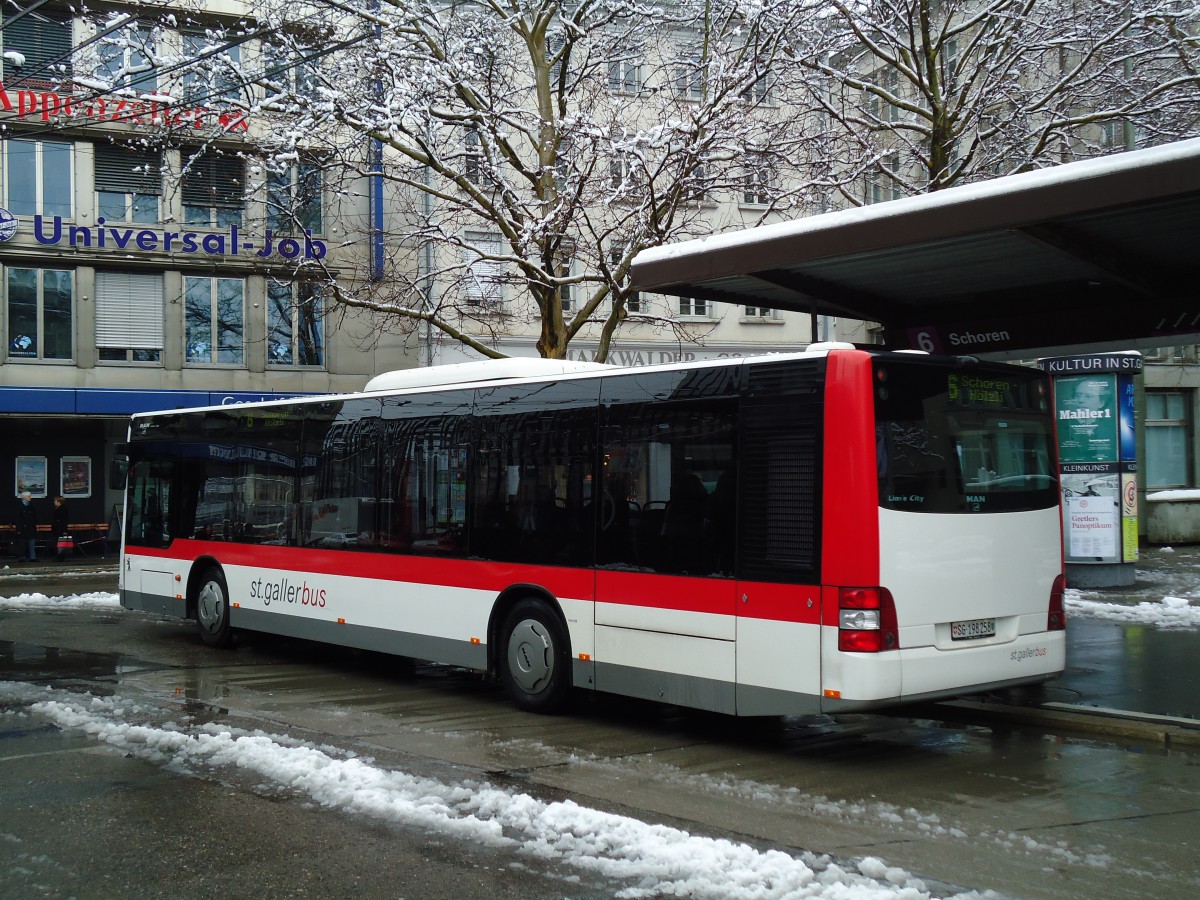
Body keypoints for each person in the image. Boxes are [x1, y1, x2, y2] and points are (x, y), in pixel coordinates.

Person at [16, 491, 38, 563]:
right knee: (22, 543)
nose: (30, 498)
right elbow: (18, 518)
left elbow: (34, 517)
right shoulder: (19, 506)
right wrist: (18, 528)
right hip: (23, 528)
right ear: (24, 497)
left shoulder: (31, 506)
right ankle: (22, 557)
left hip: (31, 527)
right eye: (29, 496)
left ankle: (33, 557)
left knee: (32, 542)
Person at [51, 495, 69, 562]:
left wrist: (64, 530)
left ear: (59, 502)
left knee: (60, 544)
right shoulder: (57, 509)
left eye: (55, 501)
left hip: (60, 529)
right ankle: (58, 556)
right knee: (57, 543)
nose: (54, 502)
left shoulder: (63, 509)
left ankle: (61, 557)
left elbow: (64, 521)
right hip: (56, 529)